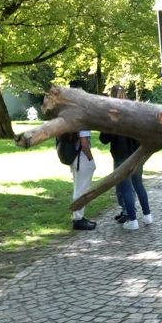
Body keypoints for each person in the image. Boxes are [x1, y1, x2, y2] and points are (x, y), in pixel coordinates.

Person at [99, 85, 154, 230]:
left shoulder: (112, 114)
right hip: (136, 153)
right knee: (138, 185)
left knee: (126, 188)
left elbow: (104, 138)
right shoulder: (134, 111)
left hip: (121, 155)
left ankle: (132, 219)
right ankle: (148, 216)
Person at [68, 80, 97, 231]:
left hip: (74, 156)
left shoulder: (68, 111)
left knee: (78, 186)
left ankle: (79, 216)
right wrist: (91, 159)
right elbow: (84, 142)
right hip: (81, 156)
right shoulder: (80, 114)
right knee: (82, 189)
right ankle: (78, 219)